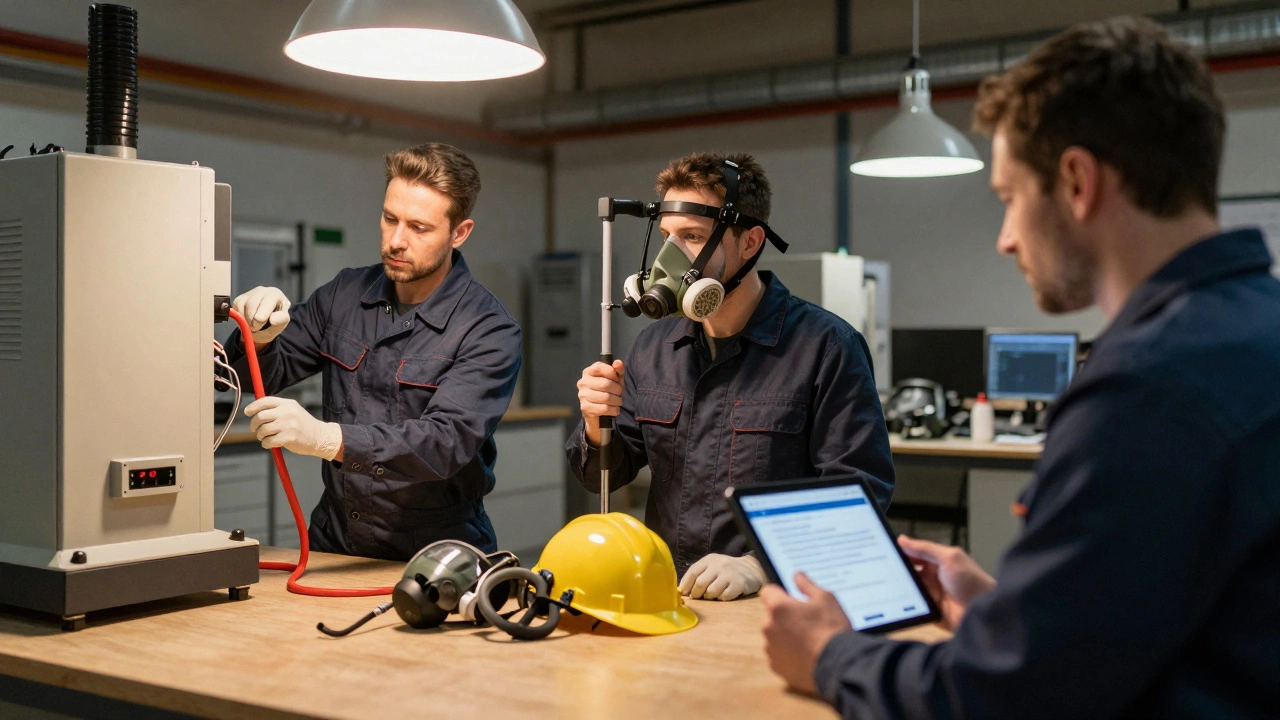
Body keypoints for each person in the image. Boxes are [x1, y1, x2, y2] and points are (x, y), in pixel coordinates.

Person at [760, 16, 1280, 719]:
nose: (1005, 239)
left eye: (1008, 199)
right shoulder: (1254, 329)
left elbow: (1002, 699)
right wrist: (1009, 613)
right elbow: (1170, 626)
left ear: (1076, 181)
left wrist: (830, 655)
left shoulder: (1148, 389)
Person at [568, 153, 894, 601]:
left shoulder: (827, 347)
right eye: (666, 236)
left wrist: (761, 564)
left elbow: (860, 492)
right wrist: (595, 423)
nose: (670, 257)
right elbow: (604, 474)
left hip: (774, 604)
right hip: (668, 597)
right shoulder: (653, 347)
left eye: (693, 236)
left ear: (750, 242)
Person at [224, 143, 521, 561]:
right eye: (389, 219)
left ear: (460, 232)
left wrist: (327, 438)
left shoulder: (488, 329)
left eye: (418, 228)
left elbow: (444, 442)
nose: (396, 240)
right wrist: (257, 335)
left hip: (436, 555)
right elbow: (258, 375)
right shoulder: (344, 294)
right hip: (335, 545)